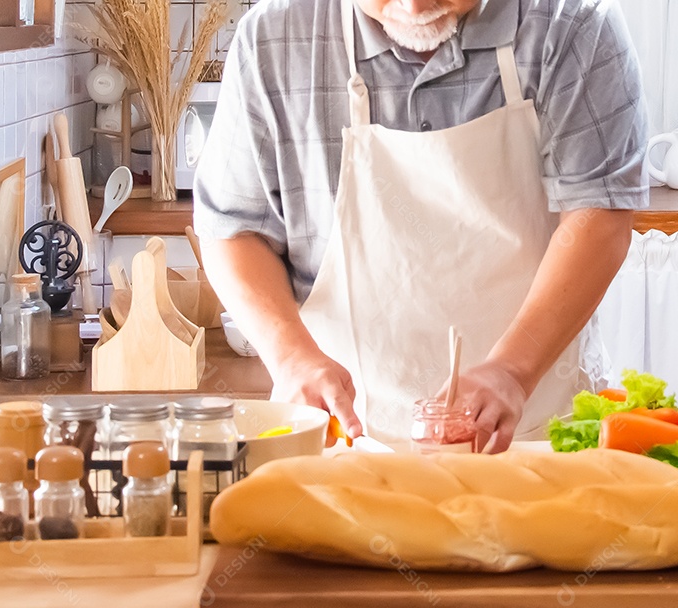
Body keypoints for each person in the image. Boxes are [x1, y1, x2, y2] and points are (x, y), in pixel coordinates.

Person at [193, 0, 647, 453]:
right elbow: (234, 230)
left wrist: (511, 370)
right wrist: (291, 358)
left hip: (533, 435)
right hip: (346, 444)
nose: (413, 5)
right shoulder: (273, 42)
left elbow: (598, 219)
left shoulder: (574, 25)